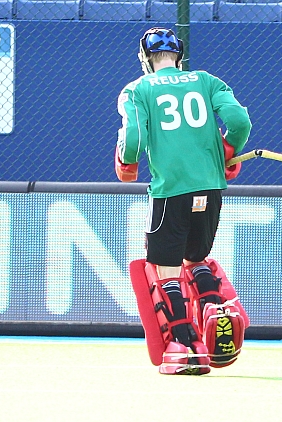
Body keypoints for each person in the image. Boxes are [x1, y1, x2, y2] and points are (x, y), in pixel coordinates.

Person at [115, 27, 252, 375]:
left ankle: (184, 344)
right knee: (196, 258)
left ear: (146, 59)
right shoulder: (207, 80)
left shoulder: (137, 89)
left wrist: (127, 161)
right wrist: (228, 150)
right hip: (210, 187)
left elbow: (134, 138)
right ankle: (212, 306)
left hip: (170, 189)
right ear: (179, 56)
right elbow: (240, 121)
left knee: (166, 268)